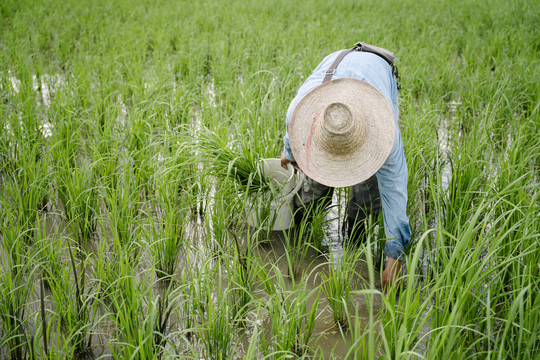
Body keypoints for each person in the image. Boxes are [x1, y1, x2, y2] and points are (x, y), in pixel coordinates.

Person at [280, 43, 411, 289]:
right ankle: (302, 246)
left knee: (366, 198)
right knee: (311, 191)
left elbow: (395, 192)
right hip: (335, 66)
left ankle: (355, 247)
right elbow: (292, 129)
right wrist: (290, 154)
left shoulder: (385, 134)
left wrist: (395, 255)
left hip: (377, 73)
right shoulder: (301, 108)